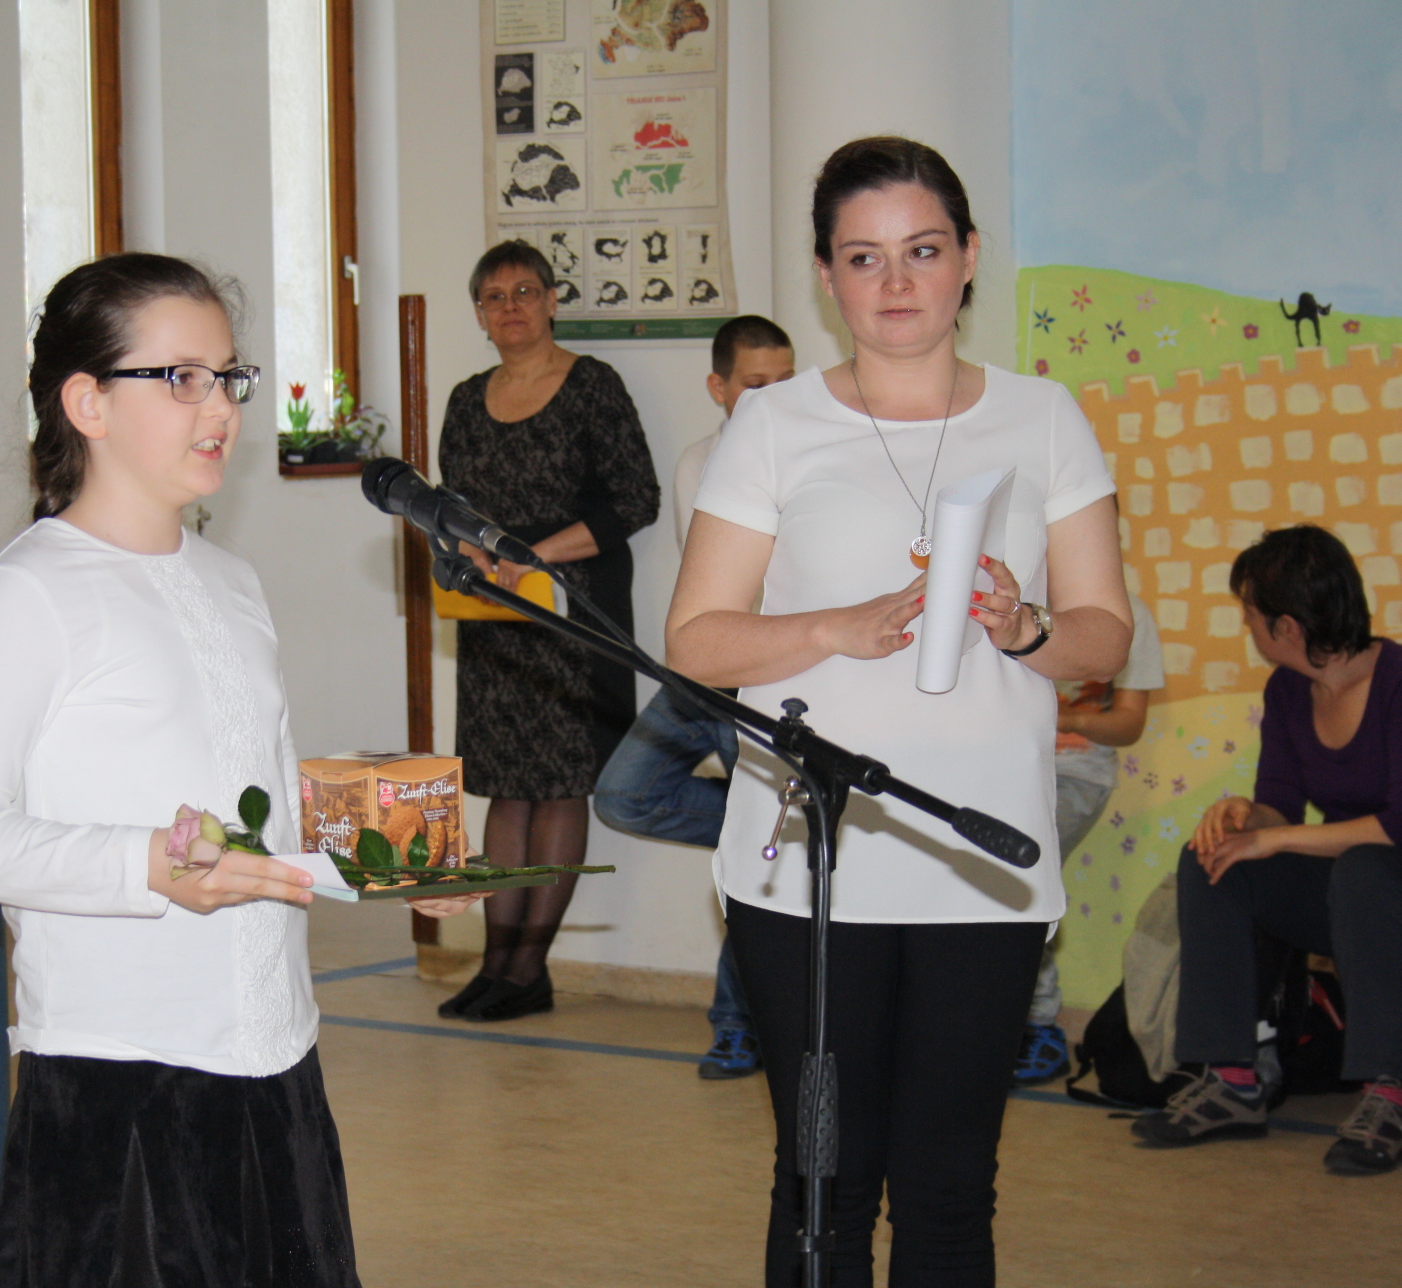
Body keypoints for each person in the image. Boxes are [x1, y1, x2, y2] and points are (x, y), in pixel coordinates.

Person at [0, 253, 477, 1284]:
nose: (220, 408)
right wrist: (148, 865)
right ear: (86, 402)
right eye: (181, 378)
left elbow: (252, 818)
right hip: (122, 1078)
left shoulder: (231, 581)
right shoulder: (26, 595)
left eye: (227, 377)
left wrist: (380, 862)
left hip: (274, 1059)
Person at [666, 136, 1132, 1286]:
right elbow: (696, 640)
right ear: (826, 275)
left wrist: (1021, 625)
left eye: (921, 250)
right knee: (822, 1180)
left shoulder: (1043, 416)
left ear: (967, 257)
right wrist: (835, 625)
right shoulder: (771, 425)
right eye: (862, 257)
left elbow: (1103, 636)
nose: (895, 282)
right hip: (809, 865)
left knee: (947, 1185)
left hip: (982, 854)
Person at [435, 240, 661, 1023]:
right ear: (479, 314)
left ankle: (529, 970)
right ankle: (496, 966)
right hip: (495, 613)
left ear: (552, 300)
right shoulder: (466, 399)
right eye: (494, 297)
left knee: (561, 786)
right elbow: (452, 504)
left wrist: (535, 556)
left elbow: (635, 500)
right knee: (507, 786)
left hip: (575, 611)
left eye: (525, 291)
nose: (511, 307)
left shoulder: (594, 385)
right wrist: (469, 551)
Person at [1132, 526, 1402, 1176]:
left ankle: (1388, 1093)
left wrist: (1275, 836)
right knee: (1216, 859)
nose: (1247, 626)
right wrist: (1244, 817)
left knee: (1365, 870)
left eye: (1250, 613)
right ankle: (1232, 1081)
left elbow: (1397, 826)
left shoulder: (1398, 681)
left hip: (1380, 884)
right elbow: (1279, 801)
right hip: (1353, 892)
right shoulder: (1287, 690)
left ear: (1287, 626)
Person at [592, 315, 794, 1079]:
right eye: (757, 385)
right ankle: (776, 829)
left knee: (752, 859)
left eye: (787, 382)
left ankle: (736, 1025)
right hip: (704, 676)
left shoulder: (816, 459)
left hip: (773, 683)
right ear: (719, 387)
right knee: (623, 797)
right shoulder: (698, 463)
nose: (775, 397)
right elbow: (714, 590)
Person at [1015, 592, 1164, 1084]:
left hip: (1075, 771)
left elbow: (1128, 723)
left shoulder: (1127, 612)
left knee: (1023, 875)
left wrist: (1066, 719)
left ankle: (1037, 1024)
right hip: (999, 763)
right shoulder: (1004, 594)